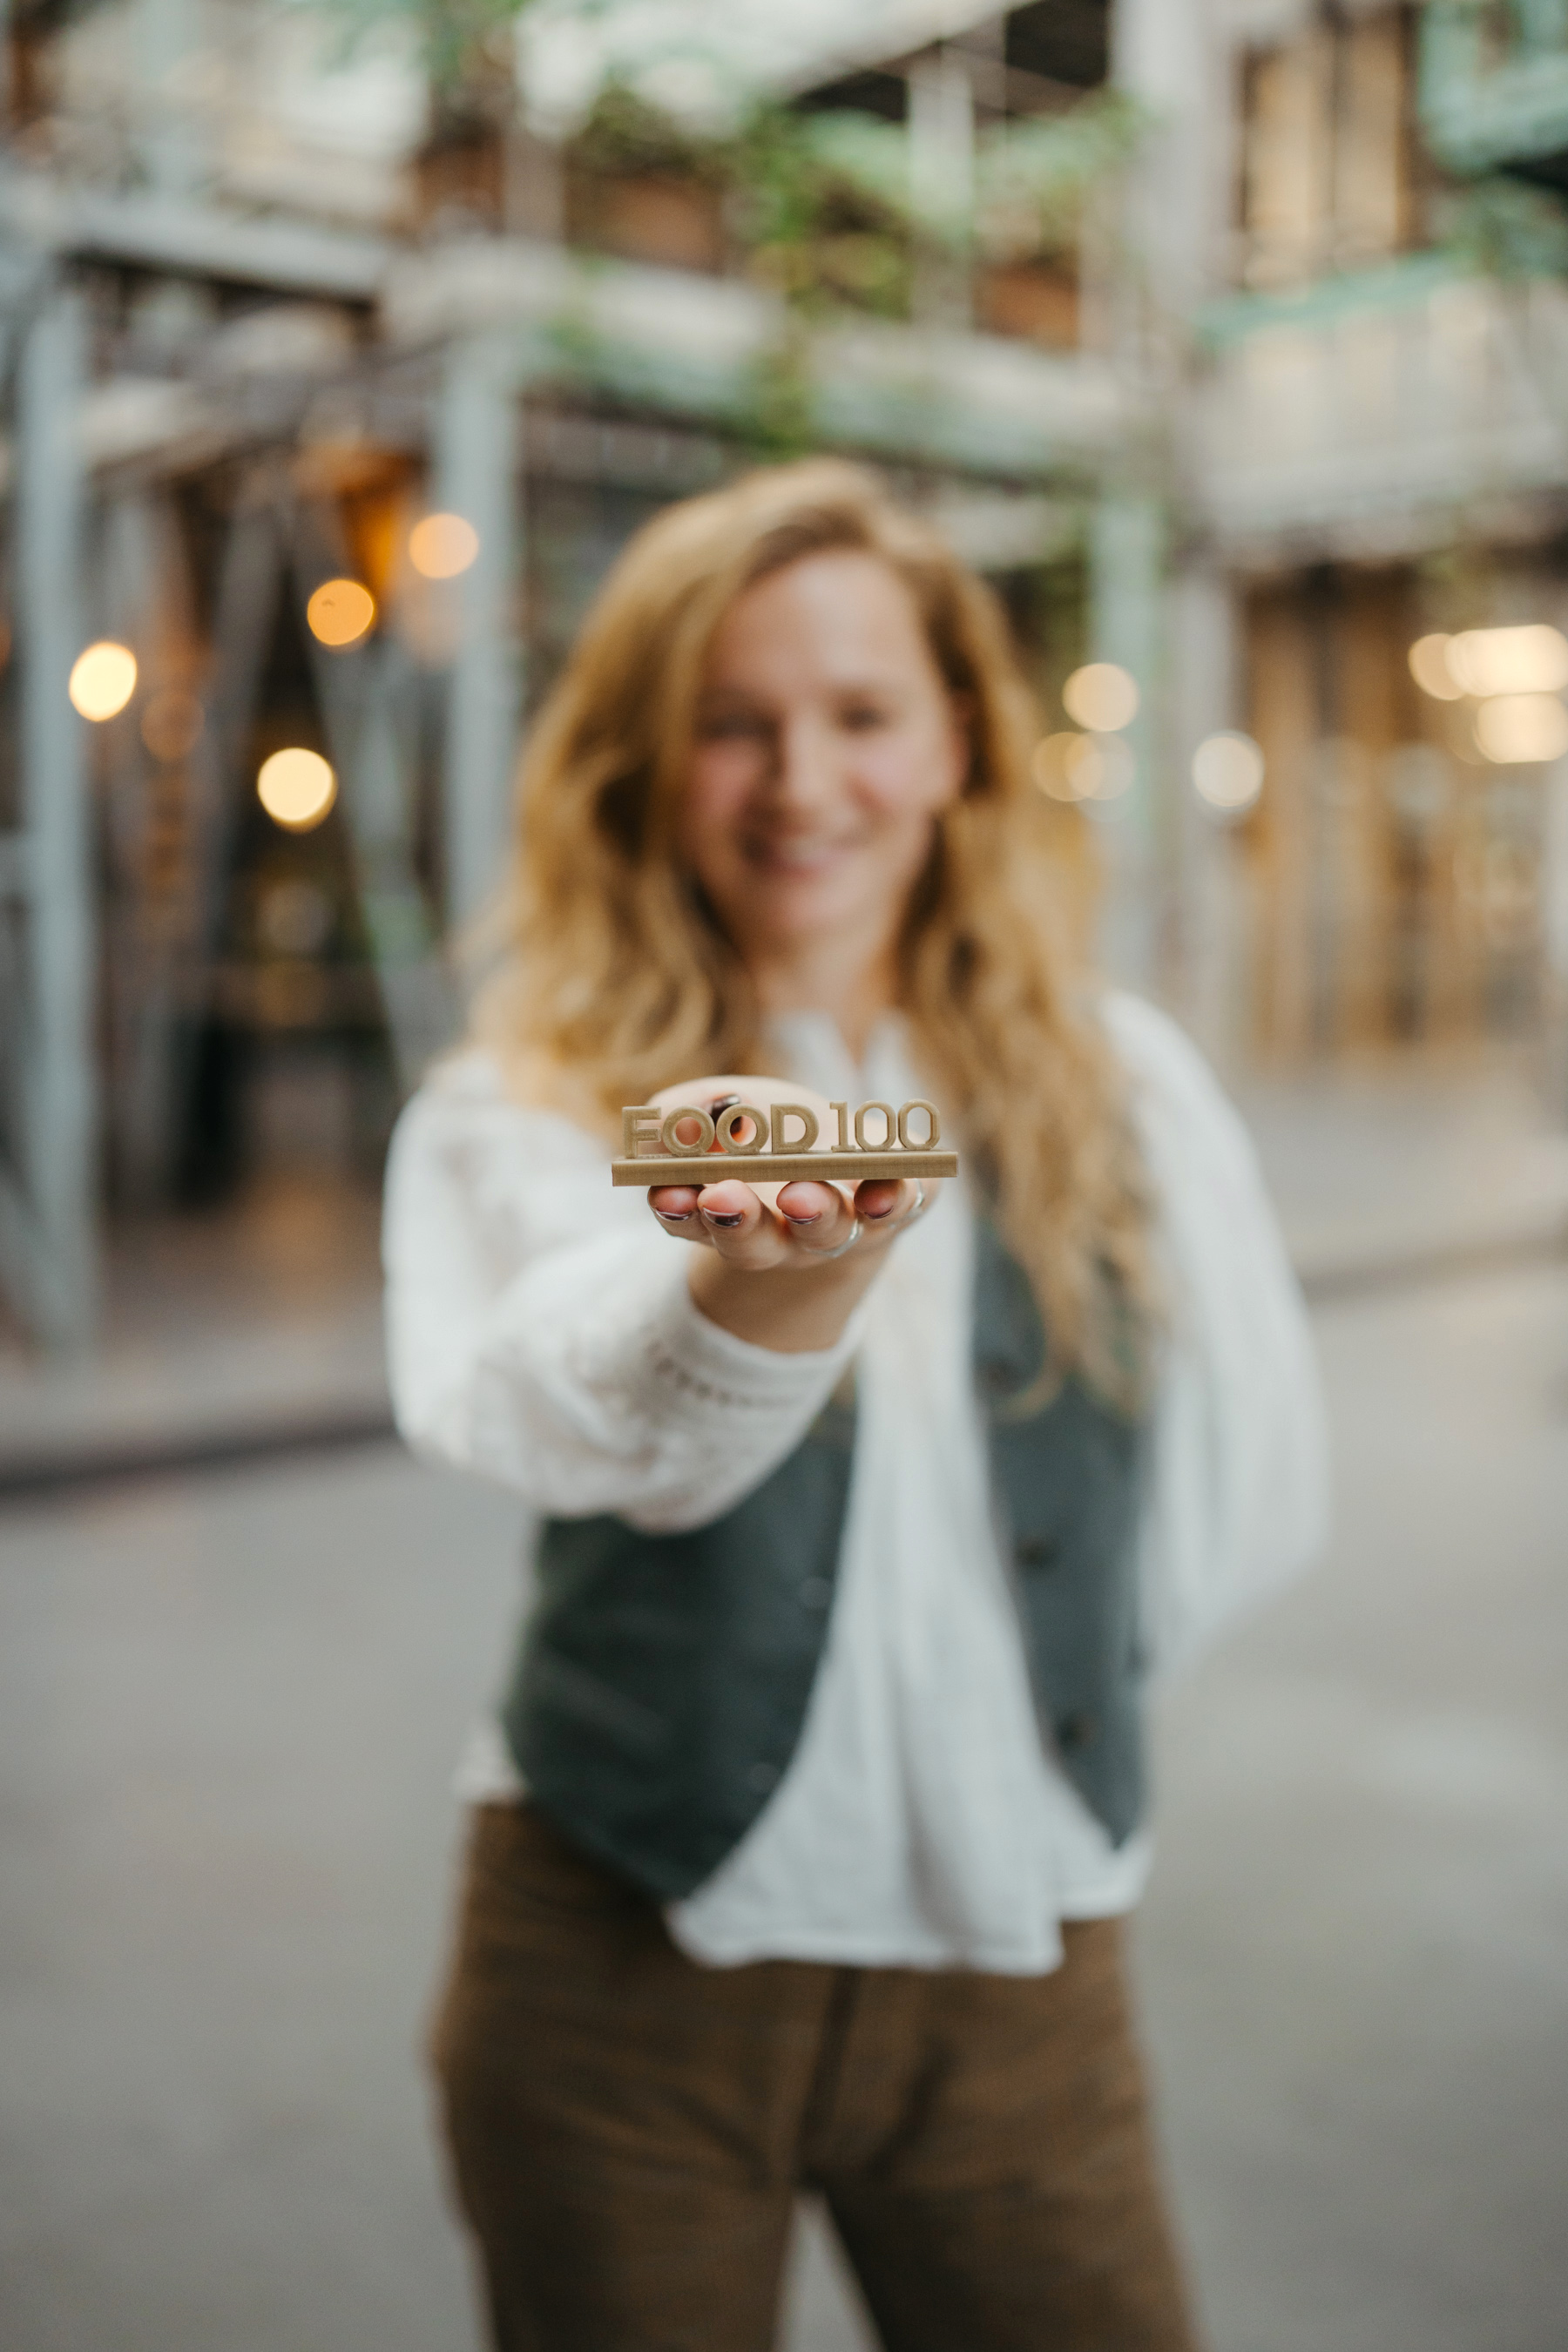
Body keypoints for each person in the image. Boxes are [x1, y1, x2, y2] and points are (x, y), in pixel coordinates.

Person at [383, 458, 1328, 2352]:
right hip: (617, 1969)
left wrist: (1033, 1725)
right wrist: (760, 1274)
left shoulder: (1122, 1086)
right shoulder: (532, 1095)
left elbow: (1251, 1495)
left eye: (860, 716)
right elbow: (588, 1418)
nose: (803, 785)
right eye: (734, 727)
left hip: (1018, 1966)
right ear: (653, 762)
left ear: (959, 741)